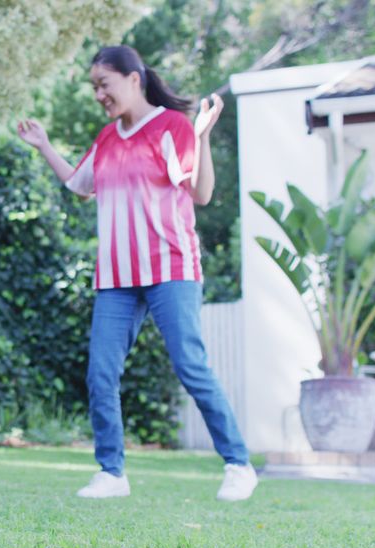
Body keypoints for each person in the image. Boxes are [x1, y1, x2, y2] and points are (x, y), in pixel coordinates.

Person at [17, 46, 257, 501]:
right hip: (117, 277)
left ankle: (238, 464)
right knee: (100, 375)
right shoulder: (107, 138)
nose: (98, 94)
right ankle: (111, 472)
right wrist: (45, 146)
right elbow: (79, 186)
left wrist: (202, 138)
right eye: (93, 87)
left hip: (171, 267)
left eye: (103, 84)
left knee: (190, 365)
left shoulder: (171, 127)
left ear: (133, 79)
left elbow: (201, 193)